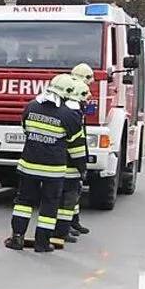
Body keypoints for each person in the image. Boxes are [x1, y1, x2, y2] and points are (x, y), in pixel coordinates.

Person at [4, 73, 84, 253]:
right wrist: (82, 168)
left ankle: (17, 237)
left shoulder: (30, 107)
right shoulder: (69, 115)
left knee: (23, 202)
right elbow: (74, 144)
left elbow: (25, 129)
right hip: (53, 170)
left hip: (28, 165)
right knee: (49, 204)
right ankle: (42, 243)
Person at [54, 76, 91, 247]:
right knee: (67, 199)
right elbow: (76, 143)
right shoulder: (74, 114)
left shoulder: (67, 110)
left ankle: (69, 225)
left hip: (64, 164)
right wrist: (82, 165)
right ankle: (63, 229)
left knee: (70, 198)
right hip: (69, 166)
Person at [67, 62, 95, 236]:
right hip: (68, 157)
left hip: (71, 155)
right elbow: (75, 137)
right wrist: (81, 162)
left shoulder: (72, 91)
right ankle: (65, 225)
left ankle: (73, 221)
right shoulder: (73, 99)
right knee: (68, 192)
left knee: (75, 188)